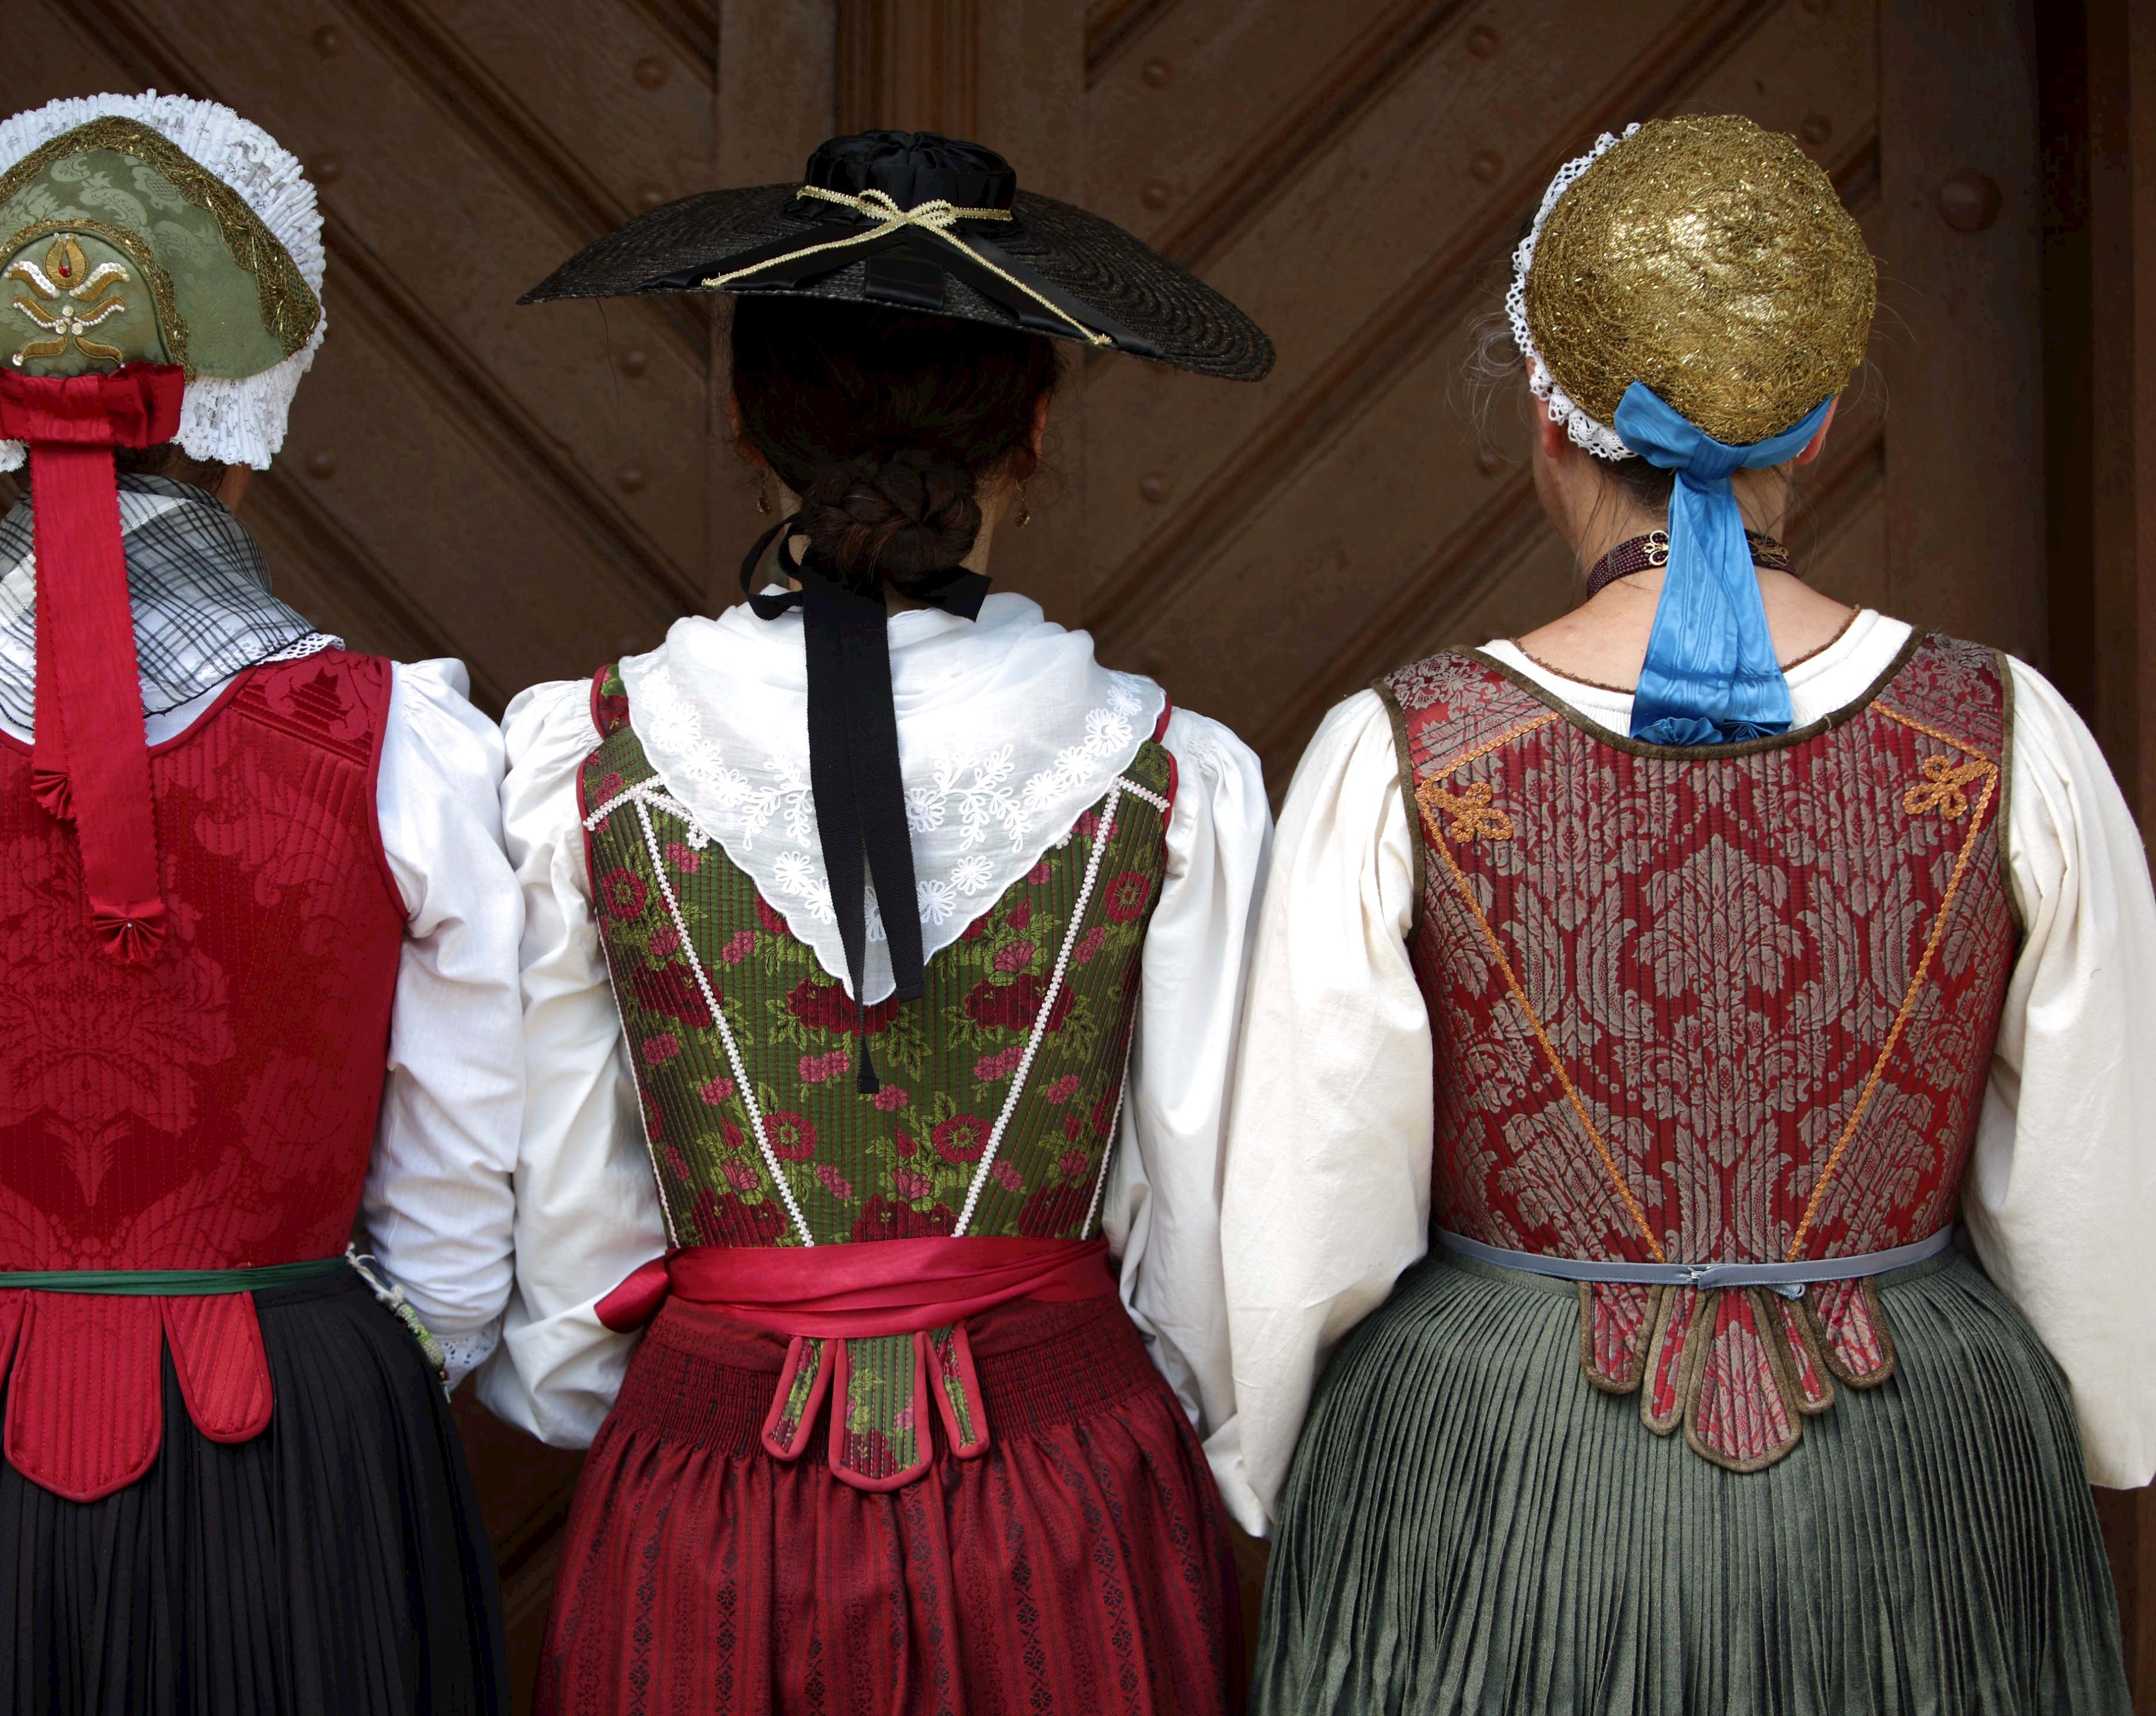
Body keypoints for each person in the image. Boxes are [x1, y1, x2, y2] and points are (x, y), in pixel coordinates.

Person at [1226, 113, 2152, 1714]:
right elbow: (2095, 1212)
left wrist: (1279, 1457)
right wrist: (2092, 1419)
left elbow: (1305, 1239)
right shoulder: (2011, 735)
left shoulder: (1403, 754)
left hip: (1503, 1479)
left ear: (1546, 416)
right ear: (1819, 423)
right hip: (1907, 1476)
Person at [0, 94, 521, 1713]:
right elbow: (466, 1173)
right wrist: (364, 1363)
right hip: (295, 1437)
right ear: (258, 401)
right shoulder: (400, 740)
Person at [473, 130, 1275, 1713]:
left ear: (741, 422)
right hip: (1065, 1496)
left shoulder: (592, 756)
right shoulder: (1171, 772)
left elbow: (567, 1260)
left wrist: (684, 1375)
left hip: (710, 1497)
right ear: (1034, 429)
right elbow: (1202, 1255)